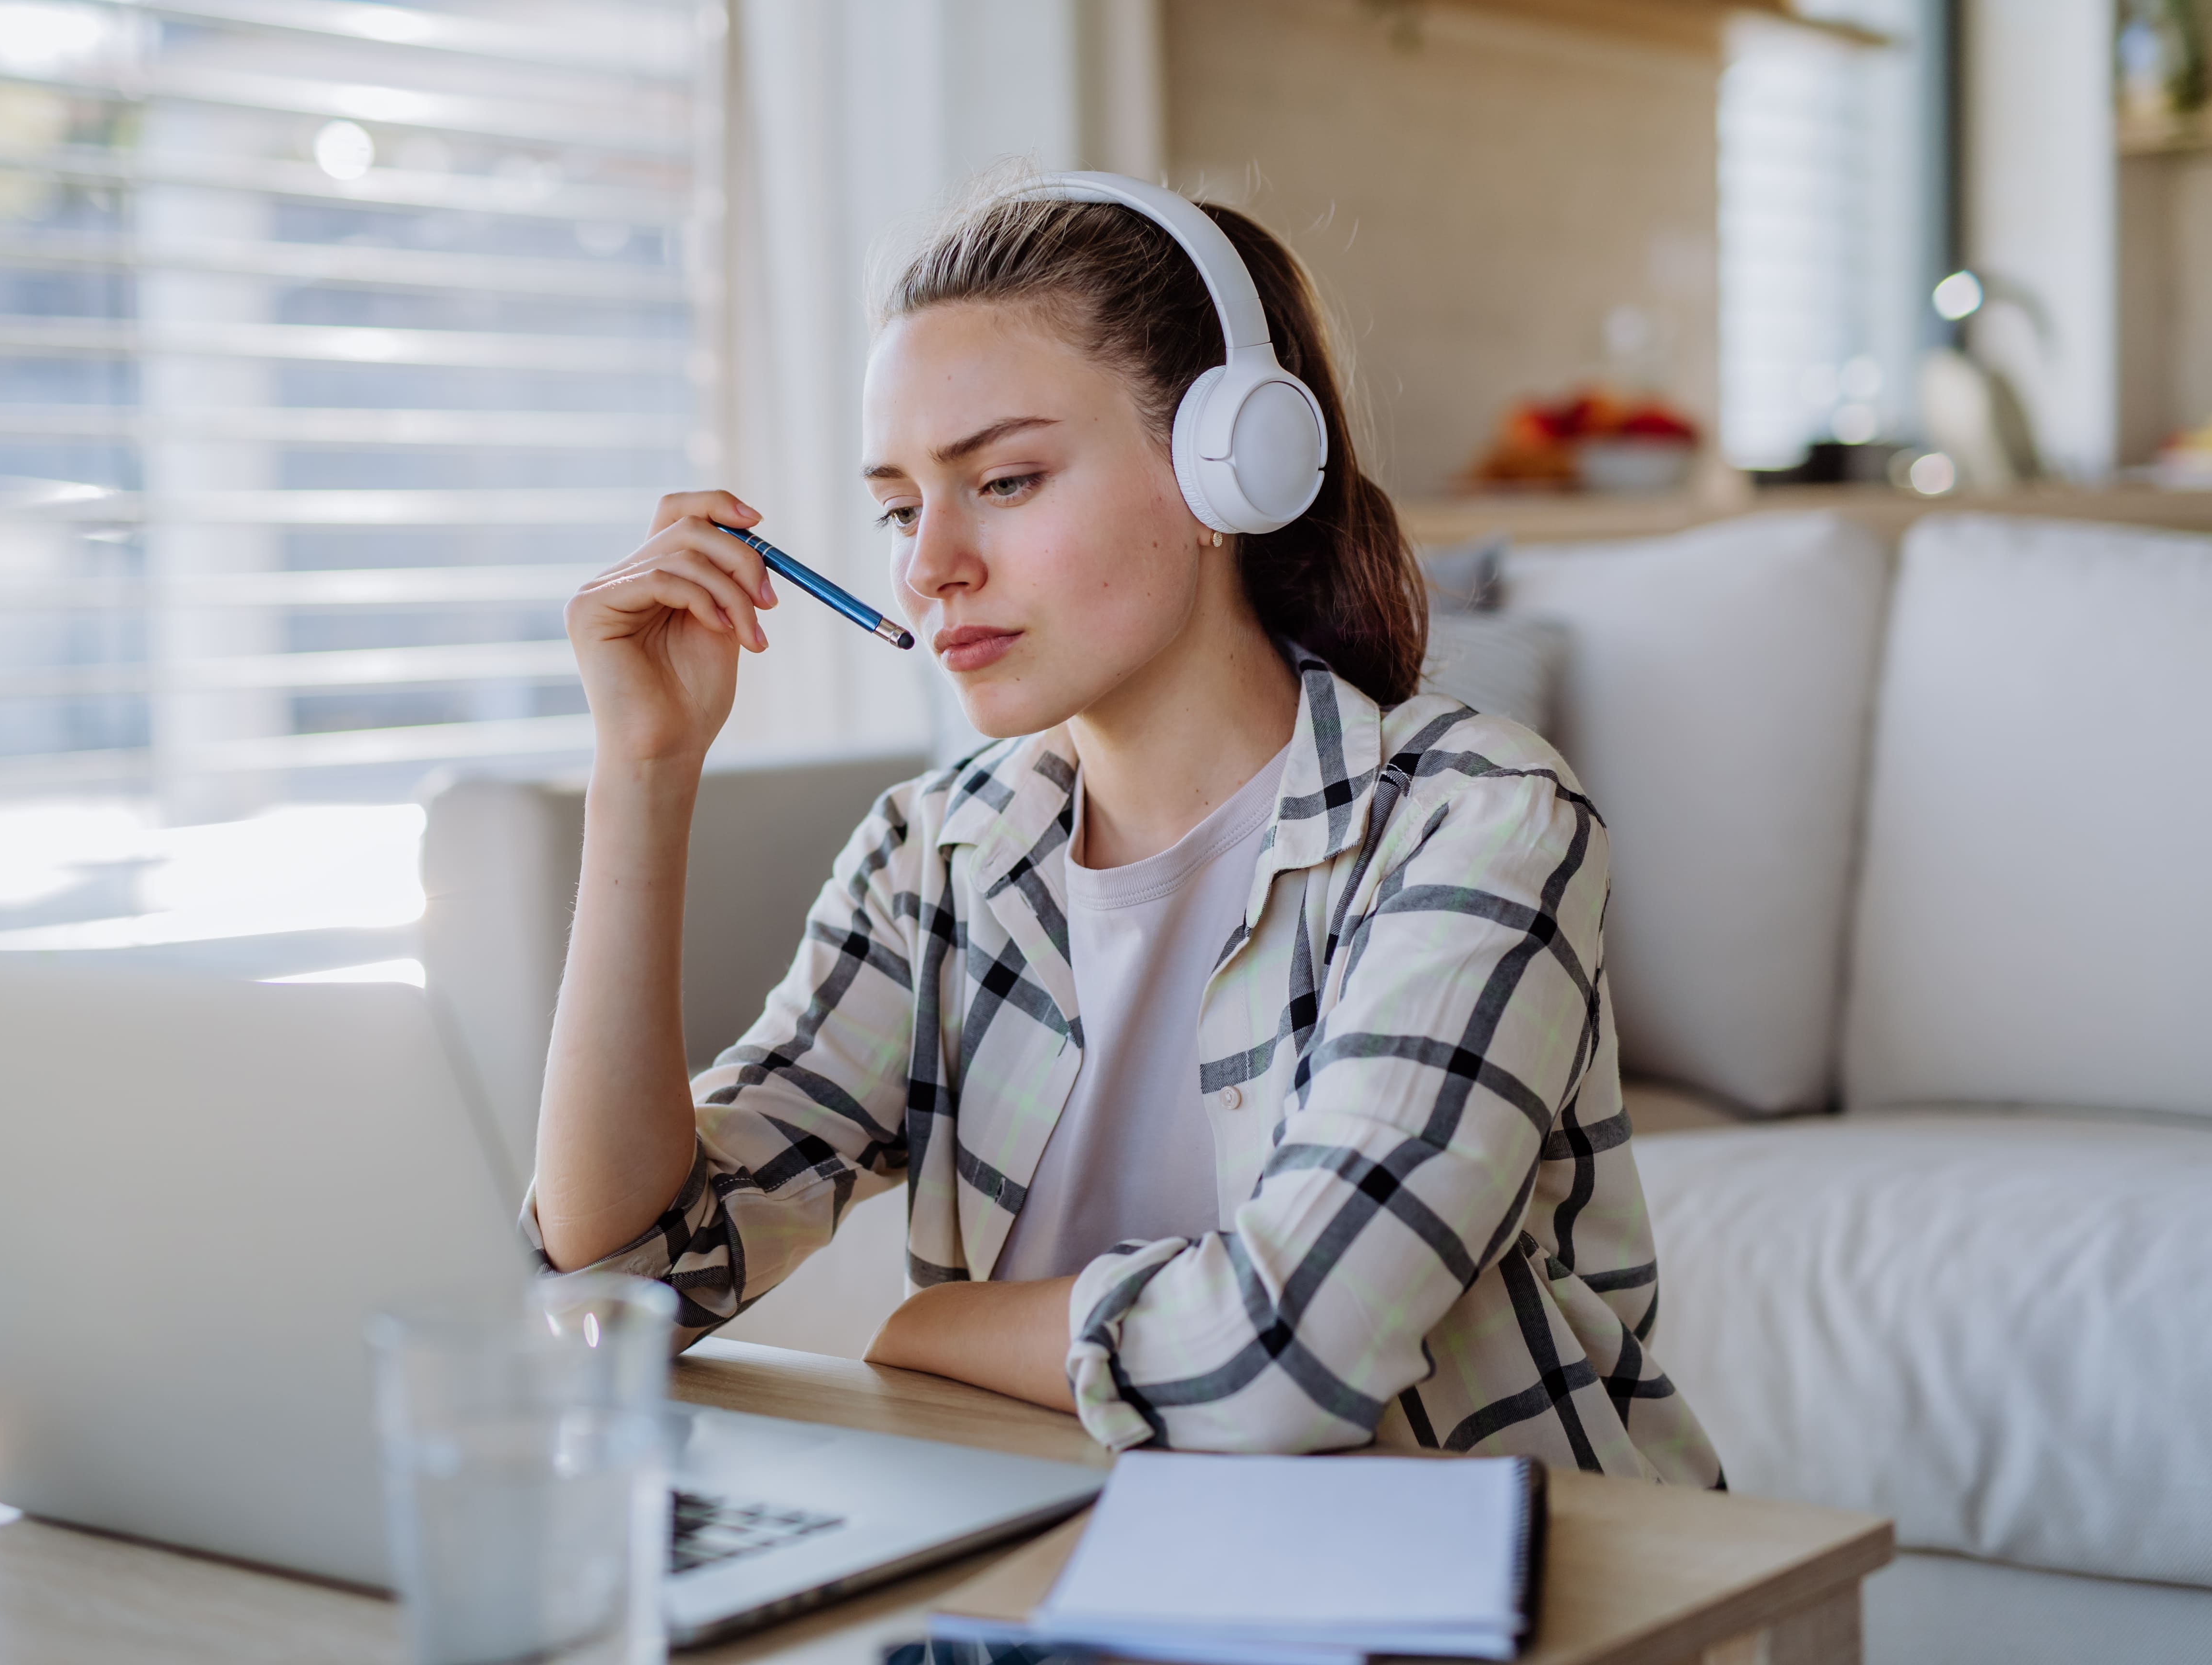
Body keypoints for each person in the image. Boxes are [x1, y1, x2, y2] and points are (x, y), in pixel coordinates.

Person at [530, 173, 1719, 1481]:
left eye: (1008, 478)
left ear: (1231, 469)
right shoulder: (935, 860)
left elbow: (1281, 1363)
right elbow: (625, 1279)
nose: (932, 567)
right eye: (898, 506)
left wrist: (942, 1324)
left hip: (1501, 1591)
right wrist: (644, 770)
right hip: (1075, 1573)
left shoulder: (1475, 824)